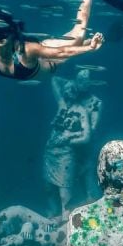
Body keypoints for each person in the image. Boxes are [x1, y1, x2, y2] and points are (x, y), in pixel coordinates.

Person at [0, 0, 123, 80]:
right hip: (39, 53)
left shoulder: (29, 50)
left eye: (2, 32)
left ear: (12, 32)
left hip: (50, 60)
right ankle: (98, 39)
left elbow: (62, 52)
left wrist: (90, 48)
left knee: (79, 32)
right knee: (80, 41)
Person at [44, 78, 96, 218]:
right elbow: (54, 80)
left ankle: (65, 216)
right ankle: (53, 216)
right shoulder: (61, 104)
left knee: (64, 188)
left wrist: (69, 138)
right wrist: (73, 82)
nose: (68, 92)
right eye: (66, 89)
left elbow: (86, 137)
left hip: (66, 154)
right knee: (49, 187)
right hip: (50, 152)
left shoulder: (81, 111)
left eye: (72, 90)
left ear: (76, 92)